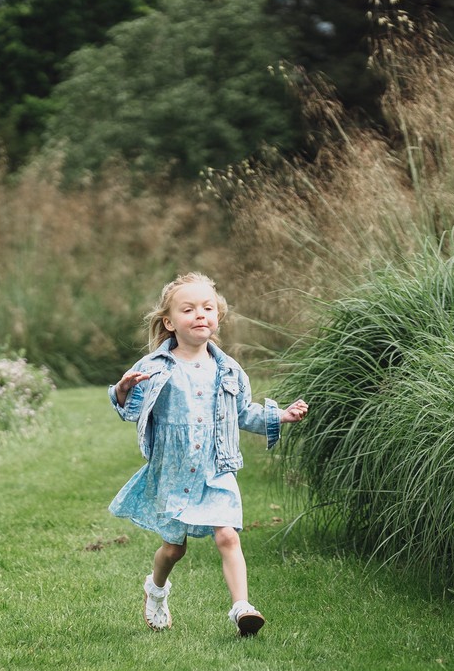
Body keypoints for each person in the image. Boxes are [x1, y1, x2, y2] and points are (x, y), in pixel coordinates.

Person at [108, 273, 308, 636]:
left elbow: (243, 412)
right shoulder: (153, 368)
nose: (200, 315)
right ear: (169, 322)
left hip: (216, 467)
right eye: (188, 309)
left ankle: (241, 608)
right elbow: (131, 408)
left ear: (218, 316)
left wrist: (280, 415)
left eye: (208, 308)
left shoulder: (228, 369)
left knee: (228, 535)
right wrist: (123, 390)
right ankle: (155, 589)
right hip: (174, 470)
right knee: (173, 550)